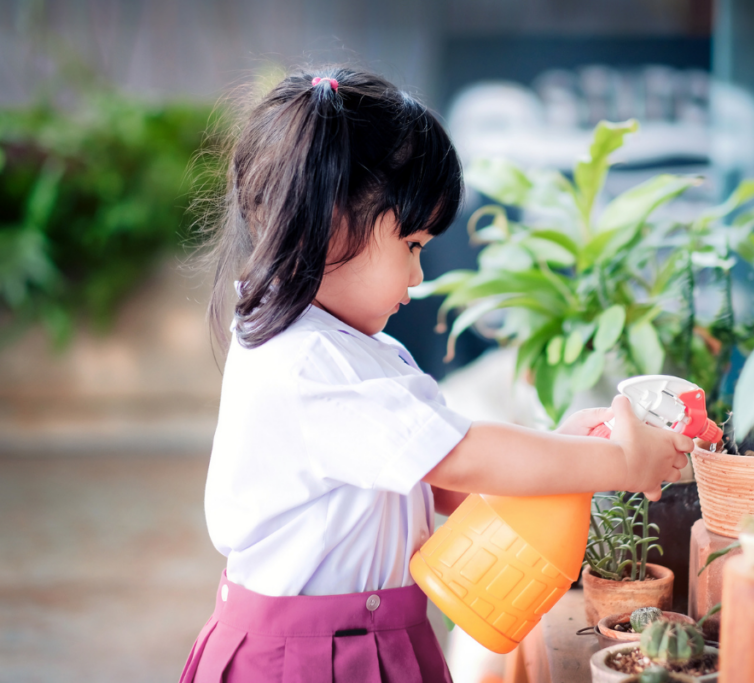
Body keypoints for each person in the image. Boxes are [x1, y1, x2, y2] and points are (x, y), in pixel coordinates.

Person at [178, 66, 692, 683]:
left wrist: (574, 451)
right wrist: (620, 466)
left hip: (361, 640)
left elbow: (438, 483)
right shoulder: (311, 366)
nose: (419, 278)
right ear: (333, 223)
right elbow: (458, 459)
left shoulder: (353, 349)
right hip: (311, 659)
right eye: (414, 246)